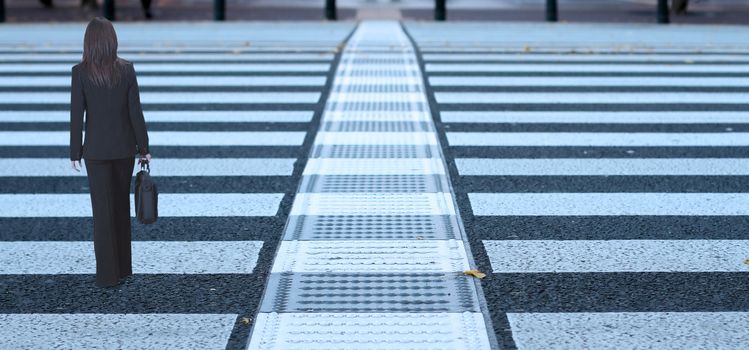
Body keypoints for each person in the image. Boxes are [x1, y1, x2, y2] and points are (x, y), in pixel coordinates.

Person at [70, 17, 151, 288]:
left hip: (95, 151)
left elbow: (76, 116)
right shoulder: (126, 70)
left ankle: (107, 275)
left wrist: (74, 152)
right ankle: (125, 267)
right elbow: (135, 113)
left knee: (101, 212)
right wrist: (144, 148)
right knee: (120, 207)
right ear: (112, 41)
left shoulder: (80, 72)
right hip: (124, 148)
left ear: (88, 43)